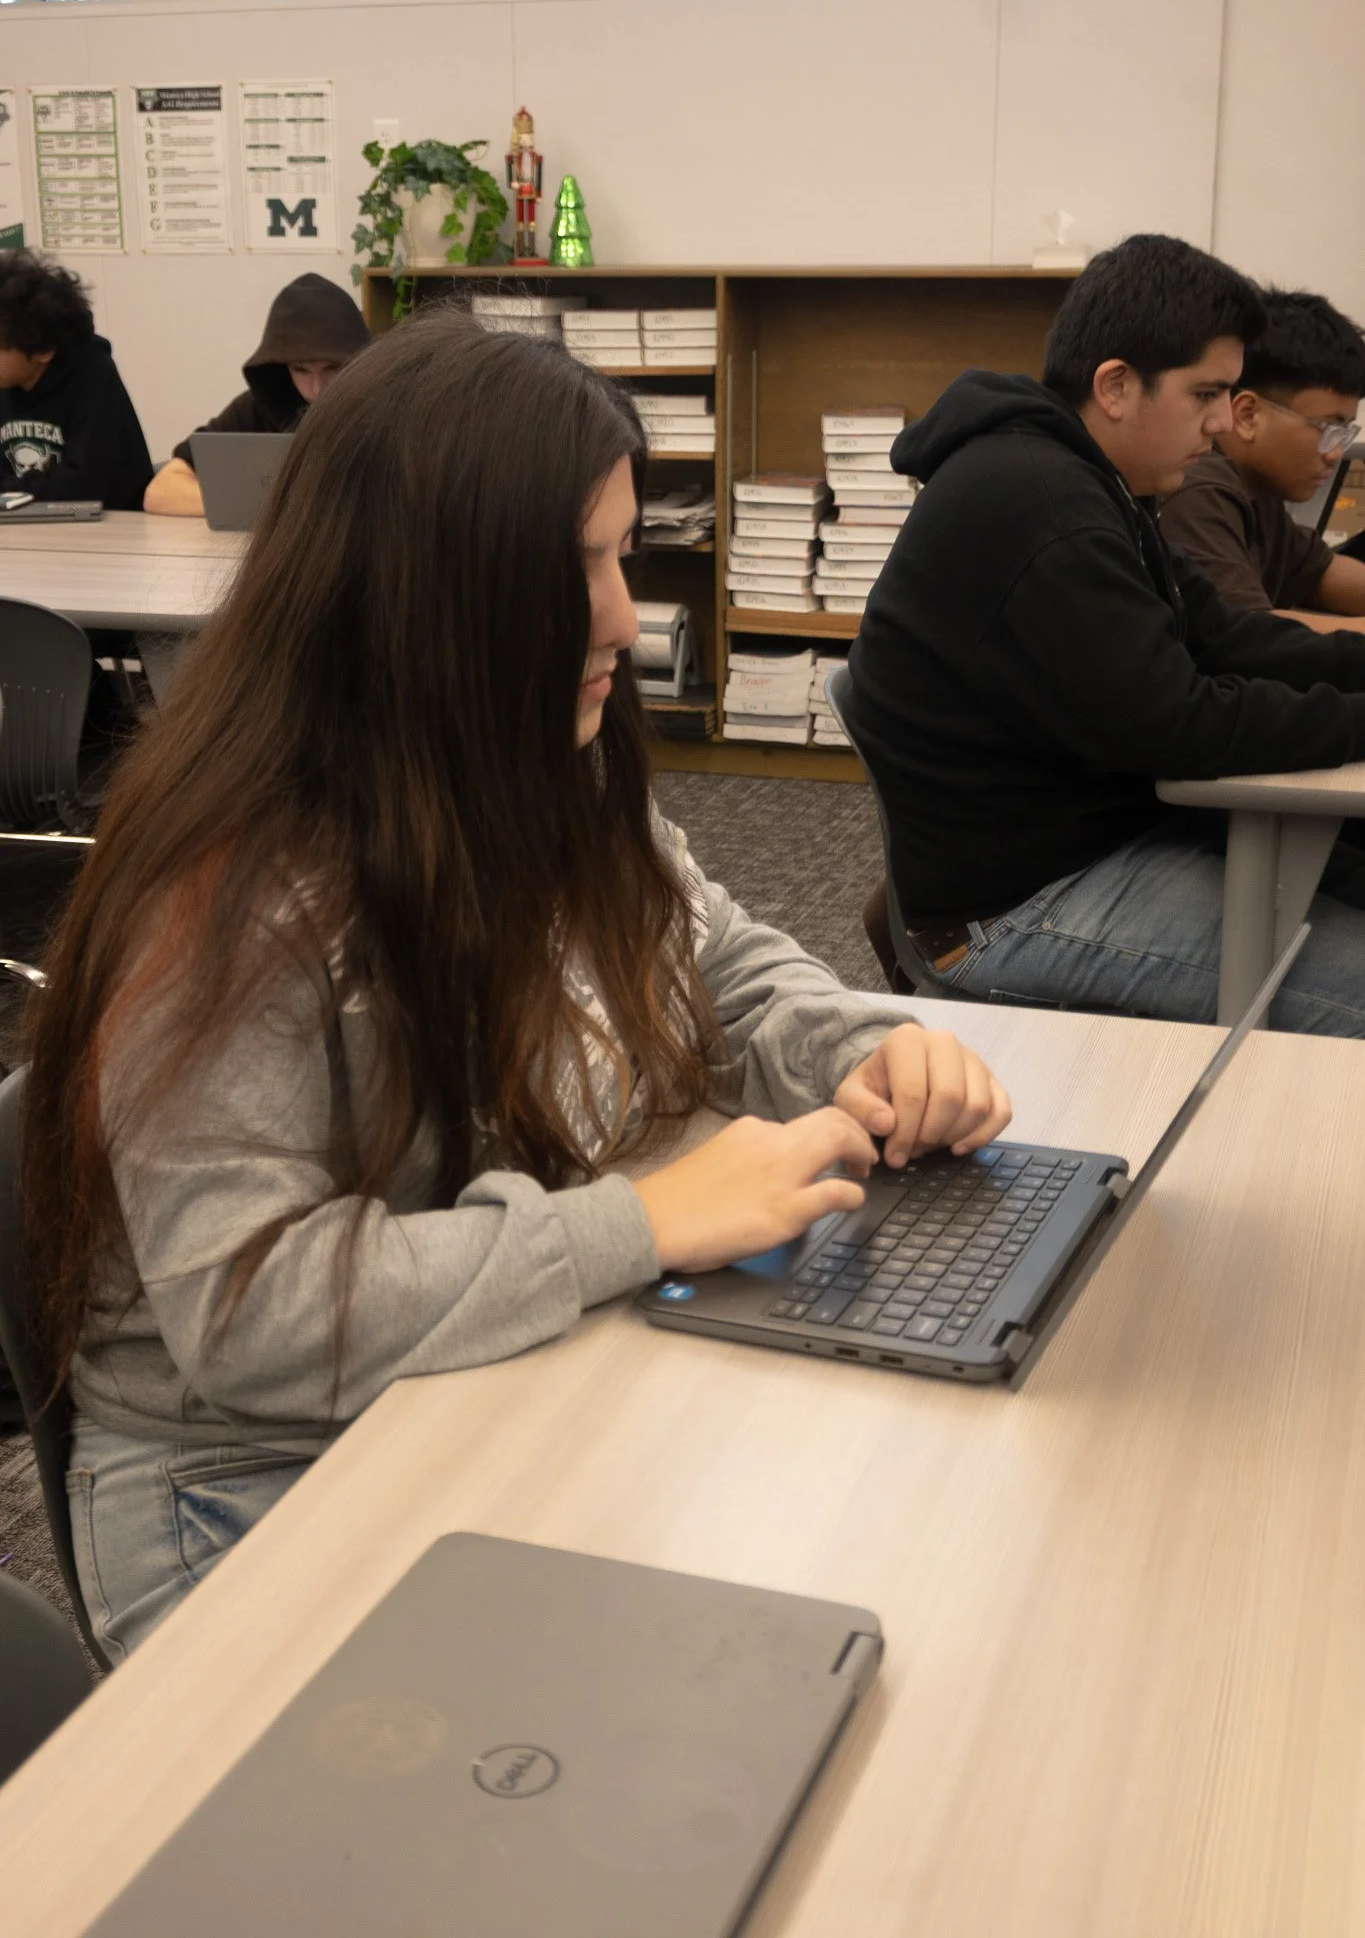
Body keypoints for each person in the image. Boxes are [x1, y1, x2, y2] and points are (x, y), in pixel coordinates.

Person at [22, 312, 1011, 1663]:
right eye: (578, 569)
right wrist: (641, 1223)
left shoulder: (537, 753)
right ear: (438, 594)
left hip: (470, 1373)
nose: (625, 616)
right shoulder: (235, 886)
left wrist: (858, 1045)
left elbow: (707, 954)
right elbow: (250, 1314)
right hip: (241, 1483)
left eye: (618, 557)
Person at [846, 233, 1365, 1034]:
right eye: (1205, 394)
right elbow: (1180, 725)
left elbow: (1225, 636)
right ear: (1116, 386)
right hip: (1014, 906)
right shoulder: (1042, 505)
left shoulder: (1091, 482)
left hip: (1089, 844)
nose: (1224, 422)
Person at [1158, 288, 1365, 626]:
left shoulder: (1258, 491)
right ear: (1248, 416)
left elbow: (1322, 572)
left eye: (1344, 433)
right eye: (1327, 427)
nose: (1336, 452)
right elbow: (1250, 637)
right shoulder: (1198, 489)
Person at [143, 273, 369, 515]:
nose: (316, 389)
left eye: (332, 368)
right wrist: (271, 510)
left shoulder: (388, 407)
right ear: (281, 368)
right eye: (300, 369)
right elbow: (160, 491)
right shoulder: (261, 406)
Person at [0, 249, 151, 509]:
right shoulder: (7, 380)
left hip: (108, 532)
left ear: (43, 350)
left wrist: (11, 490)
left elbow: (88, 485)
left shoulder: (92, 374)